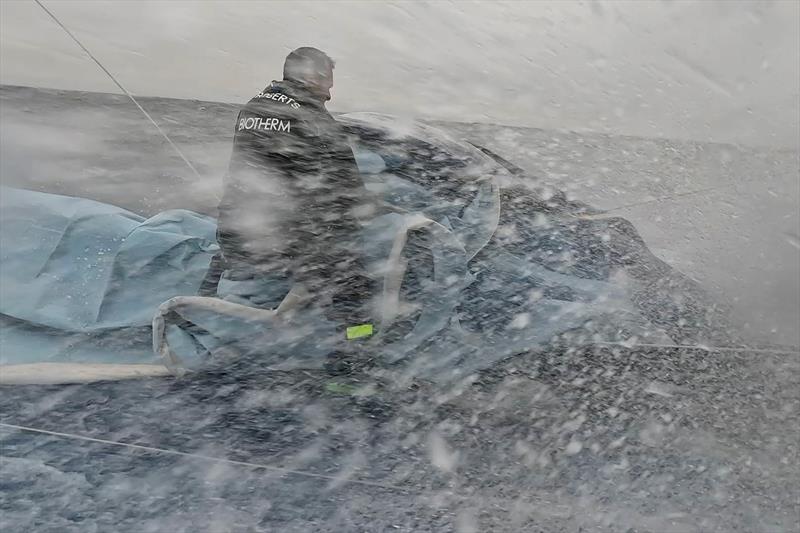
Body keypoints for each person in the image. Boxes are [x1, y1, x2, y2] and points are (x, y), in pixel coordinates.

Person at [202, 47, 376, 370]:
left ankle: (199, 322)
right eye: (328, 82)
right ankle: (352, 366)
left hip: (237, 230)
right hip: (284, 245)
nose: (331, 92)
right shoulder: (315, 121)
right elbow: (348, 192)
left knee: (227, 249)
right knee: (357, 290)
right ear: (312, 76)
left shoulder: (252, 108)